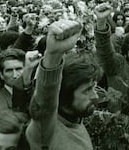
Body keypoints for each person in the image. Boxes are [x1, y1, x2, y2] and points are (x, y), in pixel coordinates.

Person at [26, 19, 101, 150]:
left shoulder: (76, 119)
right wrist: (53, 54)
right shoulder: (45, 130)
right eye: (86, 90)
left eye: (93, 87)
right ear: (64, 95)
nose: (95, 96)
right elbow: (45, 99)